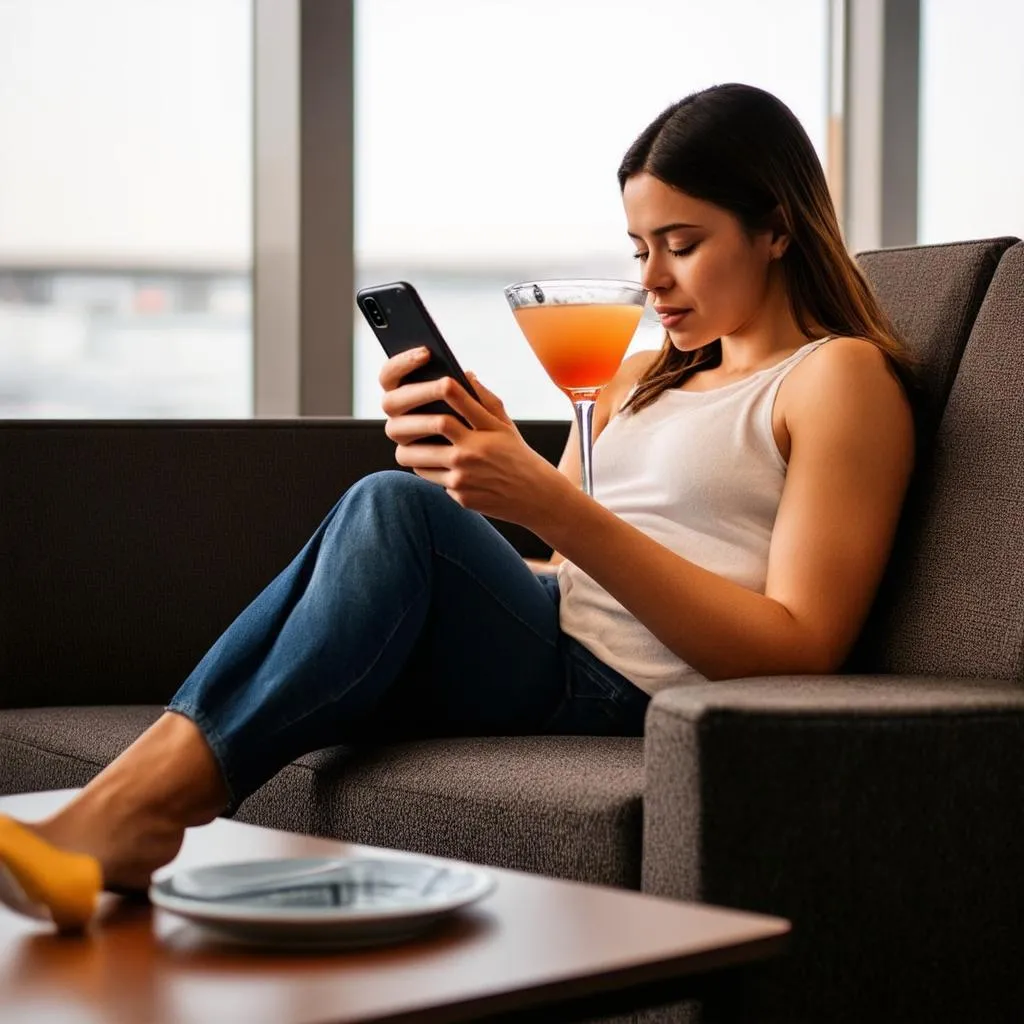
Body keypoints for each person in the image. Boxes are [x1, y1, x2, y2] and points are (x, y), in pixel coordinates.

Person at [0, 83, 917, 930]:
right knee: (390, 510)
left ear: (779, 229)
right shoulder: (637, 375)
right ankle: (130, 802)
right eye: (640, 250)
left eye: (682, 244)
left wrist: (548, 507)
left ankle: (137, 811)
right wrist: (484, 497)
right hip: (556, 648)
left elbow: (803, 647)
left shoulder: (836, 378)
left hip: (636, 694)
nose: (653, 281)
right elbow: (570, 576)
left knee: (393, 509)